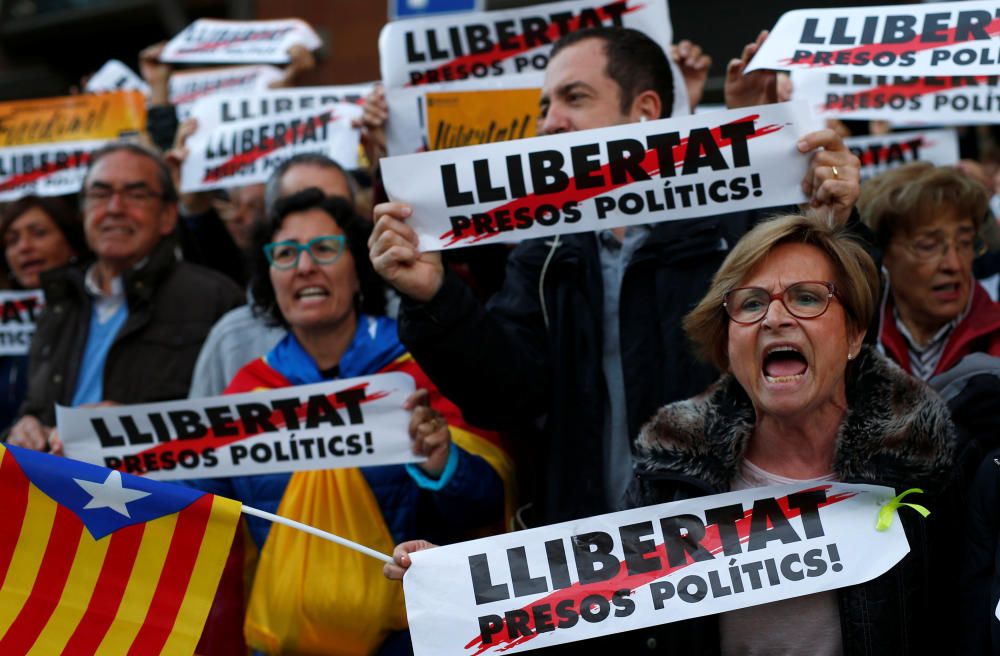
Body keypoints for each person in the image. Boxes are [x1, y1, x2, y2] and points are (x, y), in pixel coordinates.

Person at [386, 214, 957, 653]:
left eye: (807, 298)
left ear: (855, 334)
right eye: (751, 304)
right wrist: (462, 584)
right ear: (727, 343)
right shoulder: (671, 474)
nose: (775, 318)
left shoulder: (926, 466)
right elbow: (601, 608)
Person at [370, 26, 861, 526]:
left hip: (733, 547)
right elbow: (507, 395)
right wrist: (434, 296)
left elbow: (844, 333)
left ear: (645, 110)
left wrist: (835, 220)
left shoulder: (734, 230)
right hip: (594, 556)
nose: (548, 124)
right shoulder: (544, 253)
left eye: (574, 98)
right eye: (544, 107)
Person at [197, 188, 512, 655]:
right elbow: (207, 519)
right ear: (268, 277)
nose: (304, 266)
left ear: (359, 270)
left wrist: (442, 463)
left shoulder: (417, 368)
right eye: (285, 253)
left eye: (324, 249)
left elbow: (485, 509)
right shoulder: (248, 391)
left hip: (413, 643)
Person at [6, 142, 244, 452]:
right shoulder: (59, 302)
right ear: (83, 212)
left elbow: (242, 426)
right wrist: (24, 427)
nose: (115, 208)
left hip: (151, 496)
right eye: (100, 194)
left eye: (136, 194)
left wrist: (135, 428)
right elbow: (37, 408)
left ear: (168, 216)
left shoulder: (215, 298)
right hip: (57, 493)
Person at [188, 153, 357, 398]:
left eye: (334, 208)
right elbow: (201, 435)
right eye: (297, 205)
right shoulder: (231, 342)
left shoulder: (405, 327)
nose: (305, 266)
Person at [858, 162, 998, 381]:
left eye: (965, 242)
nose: (954, 264)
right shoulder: (855, 340)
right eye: (928, 246)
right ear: (883, 254)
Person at [0, 196, 89, 429]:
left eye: (39, 233)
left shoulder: (96, 309)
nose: (24, 247)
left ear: (71, 243)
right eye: (12, 240)